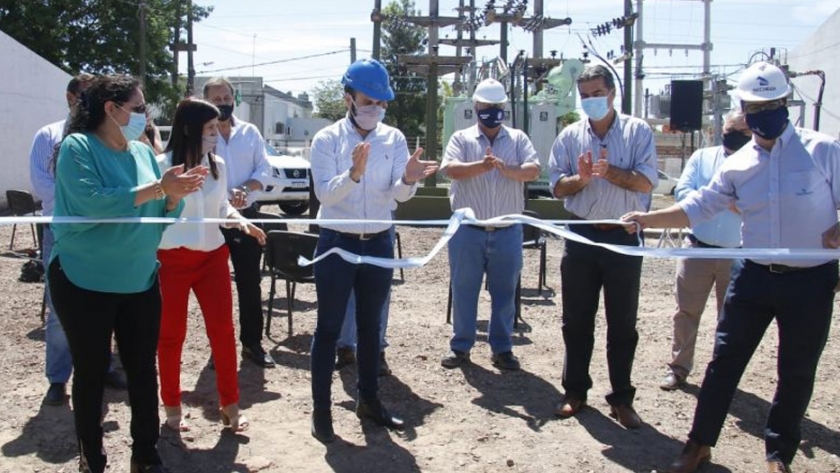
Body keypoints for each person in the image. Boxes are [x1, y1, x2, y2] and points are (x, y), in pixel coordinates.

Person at [623, 61, 840, 473]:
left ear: (786, 104)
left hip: (810, 281)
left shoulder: (823, 151)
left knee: (796, 369)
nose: (765, 112)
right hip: (754, 275)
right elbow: (699, 206)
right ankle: (699, 444)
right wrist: (647, 220)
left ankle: (779, 454)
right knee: (724, 362)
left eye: (773, 103)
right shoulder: (738, 164)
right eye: (756, 106)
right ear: (743, 108)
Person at [48, 74, 207, 473]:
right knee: (90, 370)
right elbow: (93, 204)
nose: (144, 115)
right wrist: (159, 189)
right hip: (84, 282)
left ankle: (145, 454)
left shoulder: (140, 154)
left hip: (139, 281)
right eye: (138, 108)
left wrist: (172, 198)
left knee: (141, 369)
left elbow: (157, 217)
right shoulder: (77, 147)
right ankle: (93, 457)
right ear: (111, 109)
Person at [308, 58, 437, 443]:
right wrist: (353, 175)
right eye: (369, 100)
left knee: (370, 327)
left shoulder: (394, 138)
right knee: (329, 328)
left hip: (379, 240)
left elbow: (396, 196)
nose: (376, 109)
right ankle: (322, 411)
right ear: (348, 98)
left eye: (382, 103)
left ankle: (369, 401)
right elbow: (324, 195)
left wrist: (409, 180)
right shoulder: (327, 139)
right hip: (336, 241)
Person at [548, 65, 657, 429]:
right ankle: (575, 391)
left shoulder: (637, 131)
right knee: (576, 320)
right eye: (585, 95)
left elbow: (645, 184)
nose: (591, 101)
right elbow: (556, 187)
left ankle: (621, 399)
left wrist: (608, 172)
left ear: (612, 93)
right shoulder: (568, 136)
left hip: (623, 237)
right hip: (581, 237)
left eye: (597, 93)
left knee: (622, 322)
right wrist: (580, 178)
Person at [156, 98, 266, 433]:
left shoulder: (217, 162)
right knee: (171, 335)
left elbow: (221, 209)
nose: (216, 135)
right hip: (171, 260)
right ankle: (172, 408)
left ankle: (231, 407)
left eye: (217, 128)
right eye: (209, 129)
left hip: (212, 258)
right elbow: (157, 213)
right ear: (189, 129)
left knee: (223, 331)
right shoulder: (162, 164)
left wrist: (240, 222)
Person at [28, 73, 128, 407]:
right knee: (60, 309)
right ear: (72, 98)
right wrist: (85, 199)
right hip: (62, 231)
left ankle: (103, 367)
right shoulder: (50, 136)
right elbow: (43, 187)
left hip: (104, 230)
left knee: (106, 303)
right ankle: (58, 378)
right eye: (87, 96)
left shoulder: (107, 139)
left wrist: (100, 201)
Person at [438, 78, 540, 371]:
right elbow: (450, 170)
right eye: (485, 106)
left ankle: (502, 348)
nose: (491, 112)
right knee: (464, 290)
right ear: (475, 107)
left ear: (503, 108)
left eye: (496, 107)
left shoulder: (518, 139)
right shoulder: (462, 138)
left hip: (508, 231)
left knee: (505, 293)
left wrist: (508, 170)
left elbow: (533, 170)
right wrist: (480, 167)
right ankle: (461, 347)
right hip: (467, 231)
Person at [660, 110, 750, 391]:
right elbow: (683, 192)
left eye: (742, 132)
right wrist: (716, 202)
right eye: (730, 129)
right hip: (697, 248)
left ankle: (723, 375)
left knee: (733, 317)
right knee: (686, 312)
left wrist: (724, 203)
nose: (733, 136)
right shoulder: (703, 158)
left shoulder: (759, 163)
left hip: (737, 253)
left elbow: (764, 205)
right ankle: (679, 368)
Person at [203, 77, 275, 368]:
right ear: (207, 100)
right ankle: (217, 349)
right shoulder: (201, 135)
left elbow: (265, 168)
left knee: (250, 282)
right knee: (213, 288)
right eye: (216, 99)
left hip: (246, 217)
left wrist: (246, 188)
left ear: (235, 98)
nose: (223, 102)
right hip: (211, 219)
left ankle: (252, 344)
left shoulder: (250, 132)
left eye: (226, 97)